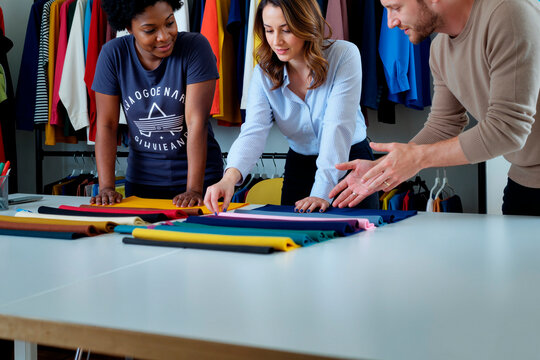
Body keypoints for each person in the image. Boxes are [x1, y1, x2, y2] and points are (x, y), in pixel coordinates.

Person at [330, 0, 540, 216]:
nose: (390, 23)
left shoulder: (508, 13)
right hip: (523, 183)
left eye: (396, 7)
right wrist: (382, 169)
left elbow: (508, 129)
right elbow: (443, 124)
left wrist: (417, 159)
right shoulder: (439, 49)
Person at [205, 0, 378, 214]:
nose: (276, 41)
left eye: (286, 30)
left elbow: (337, 127)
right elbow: (253, 131)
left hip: (349, 162)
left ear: (306, 25)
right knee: (296, 242)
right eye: (269, 31)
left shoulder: (344, 55)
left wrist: (321, 191)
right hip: (300, 166)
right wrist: (229, 178)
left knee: (358, 240)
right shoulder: (263, 73)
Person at [91, 0, 223, 206]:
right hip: (142, 181)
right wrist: (106, 187)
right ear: (129, 27)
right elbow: (107, 125)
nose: (164, 36)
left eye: (169, 23)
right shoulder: (113, 54)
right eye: (150, 30)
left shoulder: (195, 48)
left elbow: (197, 122)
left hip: (200, 180)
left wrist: (194, 190)